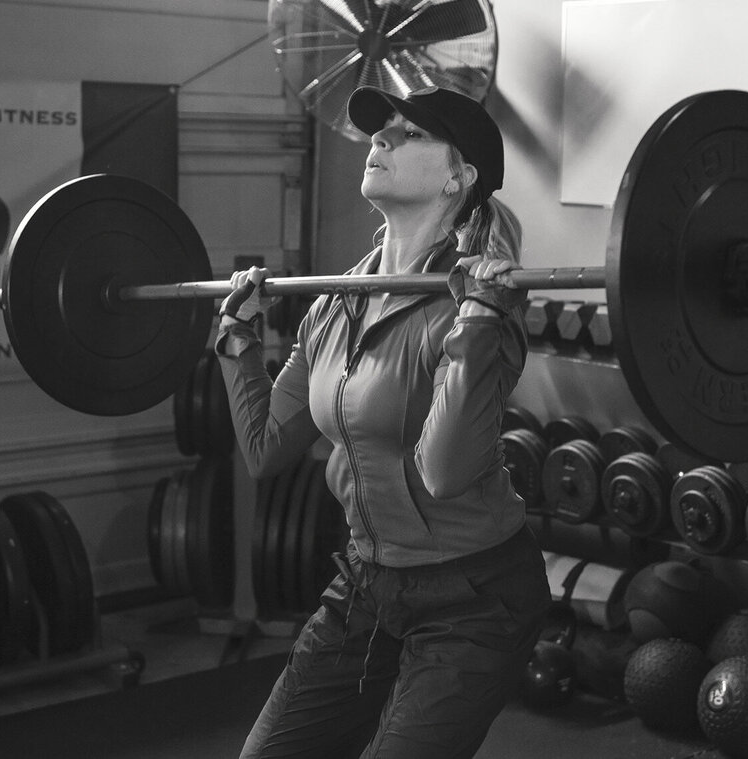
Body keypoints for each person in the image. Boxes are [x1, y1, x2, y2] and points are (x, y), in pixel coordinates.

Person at [215, 85, 551, 759]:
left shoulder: (480, 306)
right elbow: (264, 448)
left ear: (460, 177)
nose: (380, 140)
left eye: (408, 133)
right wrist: (237, 340)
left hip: (476, 596)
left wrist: (481, 319)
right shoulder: (335, 303)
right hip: (367, 583)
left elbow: (444, 472)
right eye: (379, 131)